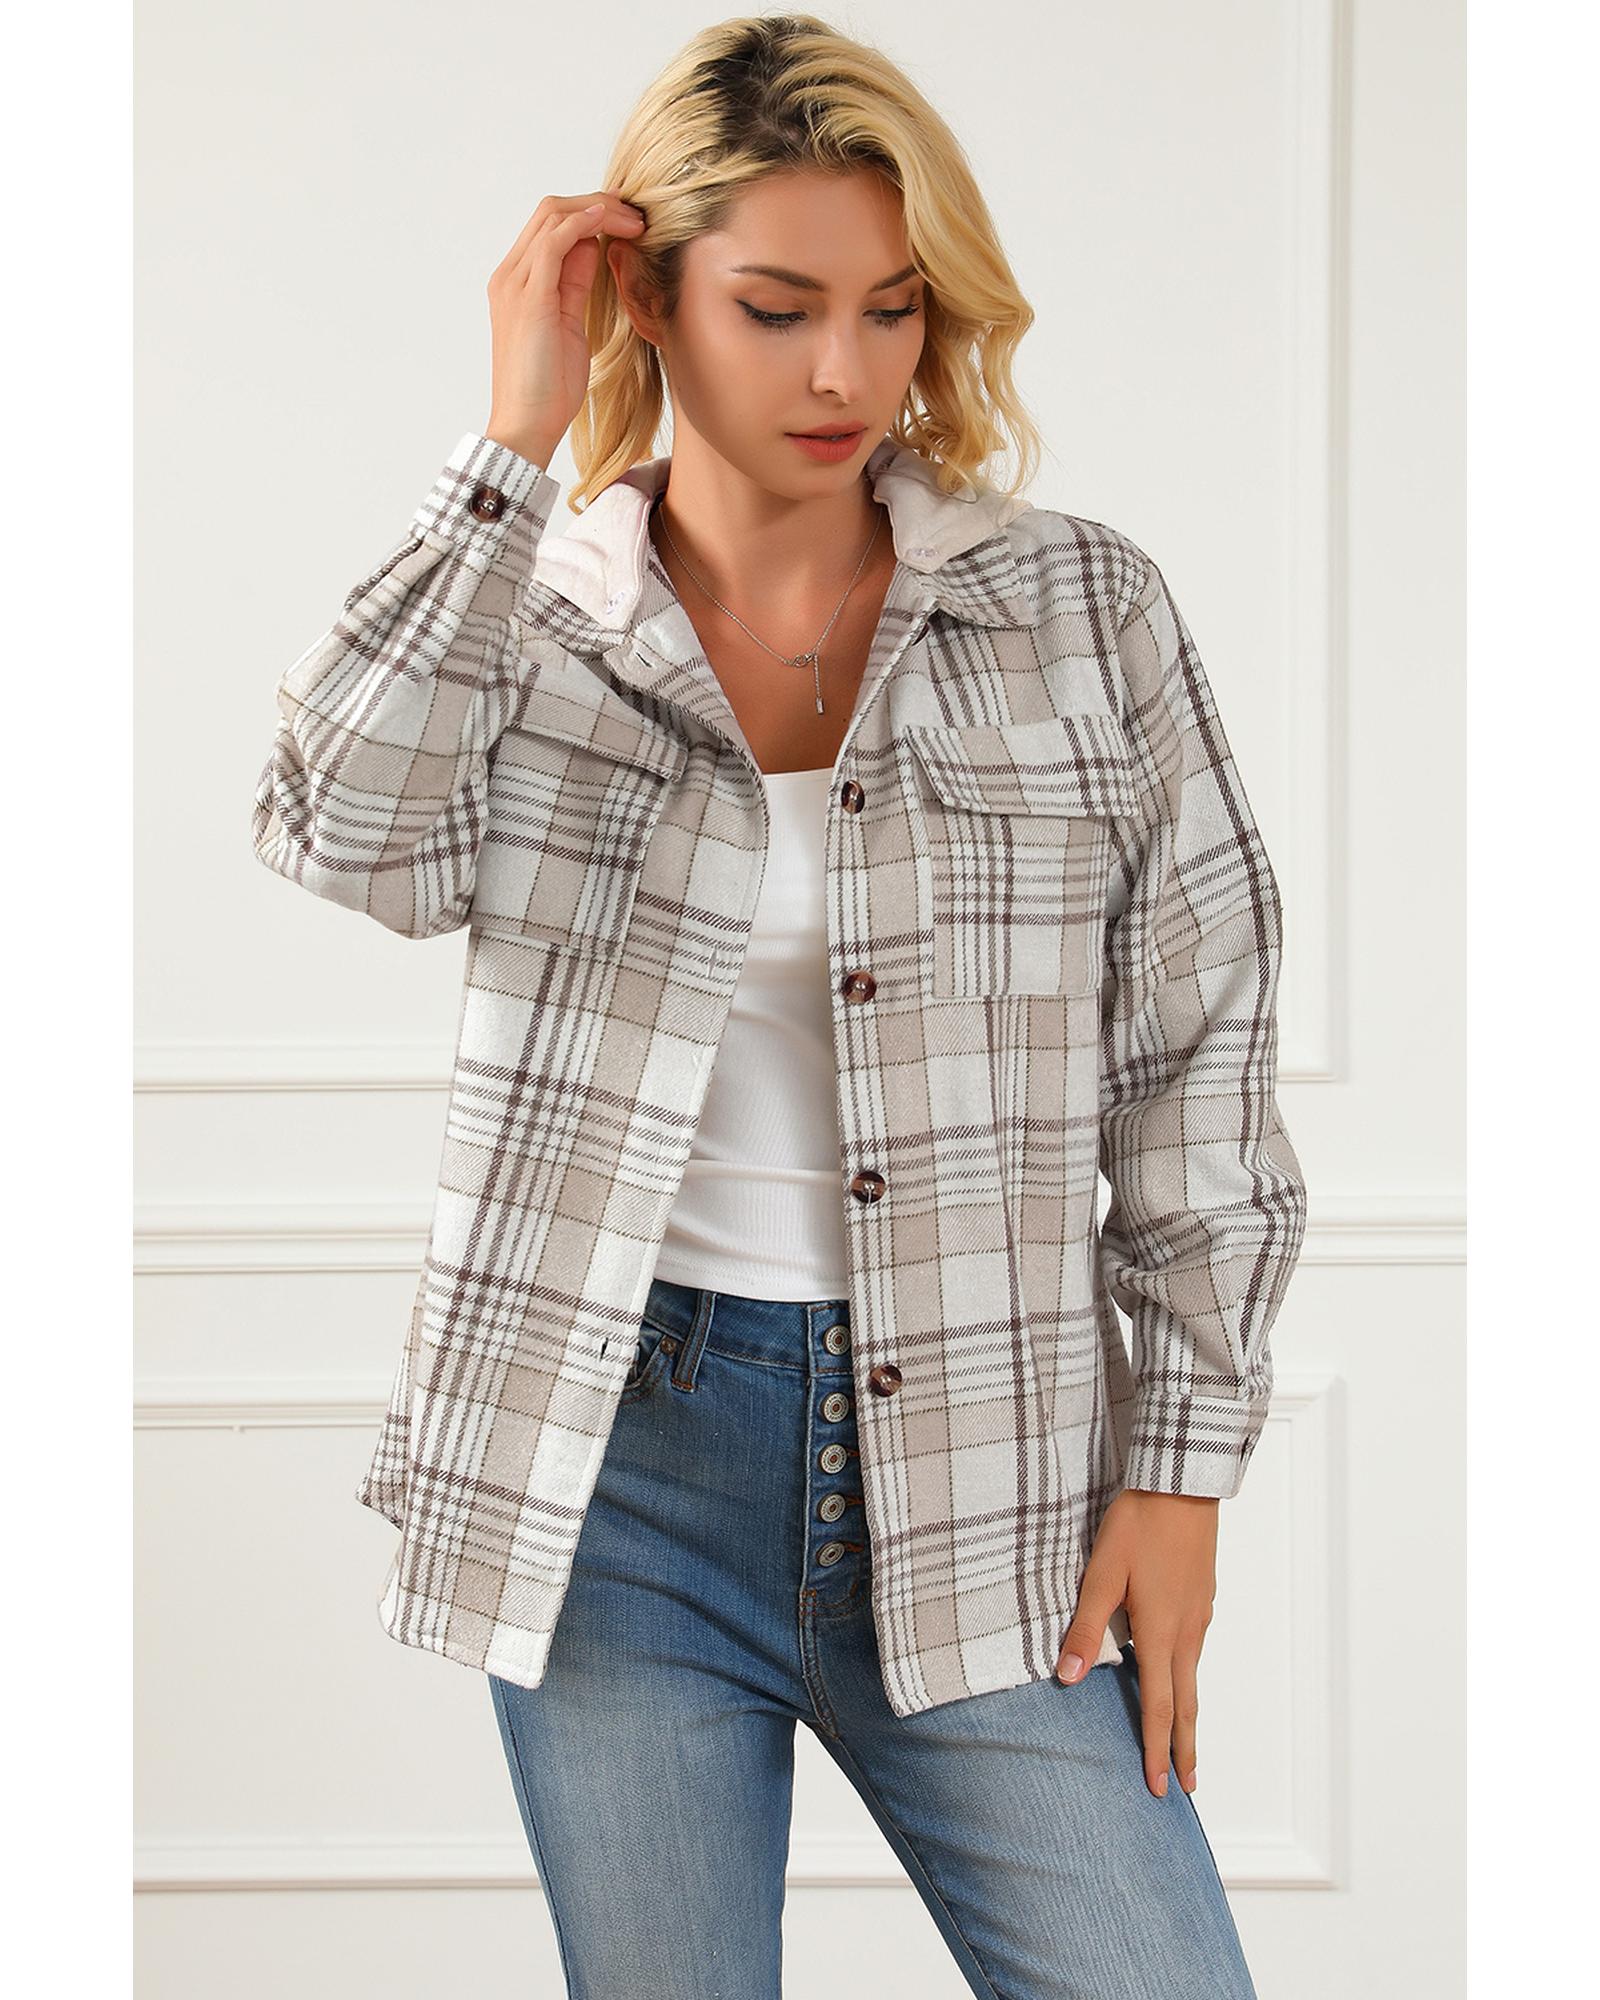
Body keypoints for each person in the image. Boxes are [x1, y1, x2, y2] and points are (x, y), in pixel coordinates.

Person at [251, 14, 1307, 1997]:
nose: (844, 372)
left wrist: (1180, 1469)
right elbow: (342, 836)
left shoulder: (1078, 611)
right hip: (619, 1484)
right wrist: (508, 445)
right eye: (777, 306)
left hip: (991, 1467)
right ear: (646, 297)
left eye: (893, 310)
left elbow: (1200, 1048)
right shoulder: (528, 623)